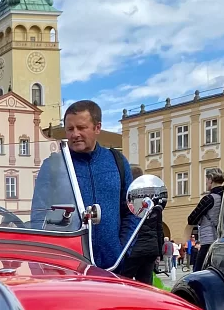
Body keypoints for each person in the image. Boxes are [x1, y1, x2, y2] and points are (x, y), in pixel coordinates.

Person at [44, 100, 141, 269]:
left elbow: (131, 211)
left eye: (81, 128)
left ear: (97, 128)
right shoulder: (53, 165)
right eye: (70, 129)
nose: (75, 134)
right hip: (68, 265)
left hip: (113, 266)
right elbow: (39, 214)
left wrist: (122, 251)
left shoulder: (117, 161)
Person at [117, 165, 164, 284]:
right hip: (151, 249)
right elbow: (159, 229)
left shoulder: (129, 202)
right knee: (146, 284)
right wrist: (158, 252)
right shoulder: (154, 203)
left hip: (133, 249)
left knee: (124, 282)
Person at [188, 167, 224, 272]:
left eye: (207, 180)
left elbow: (191, 219)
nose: (206, 183)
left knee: (198, 271)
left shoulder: (209, 198)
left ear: (211, 180)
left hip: (209, 241)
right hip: (222, 240)